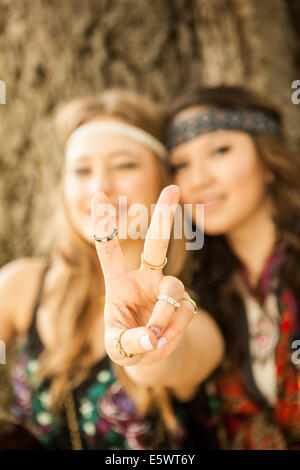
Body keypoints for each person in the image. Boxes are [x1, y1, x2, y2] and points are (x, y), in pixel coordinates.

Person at [0, 89, 197, 450]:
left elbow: (170, 362)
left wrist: (142, 345)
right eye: (81, 170)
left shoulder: (186, 309)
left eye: (125, 165)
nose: (99, 187)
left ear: (162, 178)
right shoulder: (19, 286)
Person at [165, 85, 300, 449]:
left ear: (269, 160)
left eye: (220, 151)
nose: (199, 179)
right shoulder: (194, 287)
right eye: (181, 164)